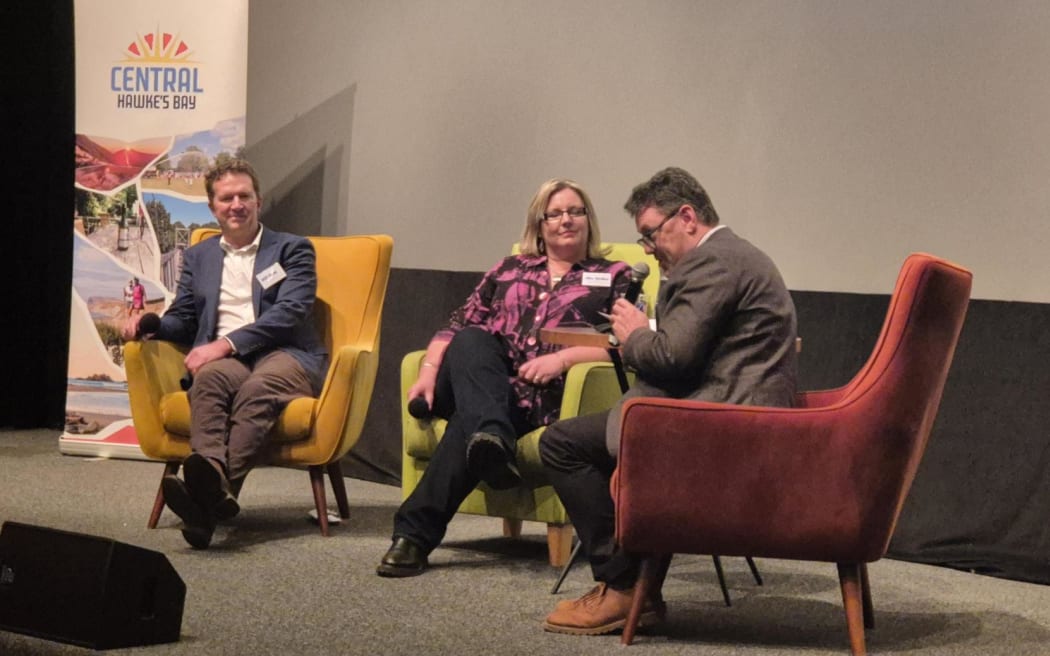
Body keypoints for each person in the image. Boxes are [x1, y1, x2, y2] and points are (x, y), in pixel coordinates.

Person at [539, 167, 798, 635]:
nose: (647, 248)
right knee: (585, 435)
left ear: (687, 217)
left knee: (562, 445)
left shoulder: (712, 263)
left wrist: (634, 334)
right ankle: (634, 586)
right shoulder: (732, 255)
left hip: (723, 425)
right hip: (731, 412)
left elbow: (672, 357)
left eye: (650, 234)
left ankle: (623, 586)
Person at [377, 179, 633, 577]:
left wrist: (563, 359)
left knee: (472, 424)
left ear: (588, 219)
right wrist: (428, 373)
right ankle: (491, 434)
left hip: (540, 399)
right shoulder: (508, 269)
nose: (566, 220)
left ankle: (413, 536)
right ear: (539, 224)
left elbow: (625, 343)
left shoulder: (615, 276)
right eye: (554, 213)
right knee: (472, 339)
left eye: (575, 211)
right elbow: (458, 324)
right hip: (478, 379)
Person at [122, 159, 328, 550]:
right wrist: (150, 325)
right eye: (227, 198)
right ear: (212, 207)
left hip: (286, 352)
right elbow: (185, 318)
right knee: (210, 380)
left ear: (258, 201)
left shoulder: (292, 249)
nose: (237, 205)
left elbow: (291, 311)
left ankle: (201, 504)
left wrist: (225, 344)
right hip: (229, 361)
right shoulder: (199, 256)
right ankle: (213, 492)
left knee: (258, 389)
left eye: (244, 196)